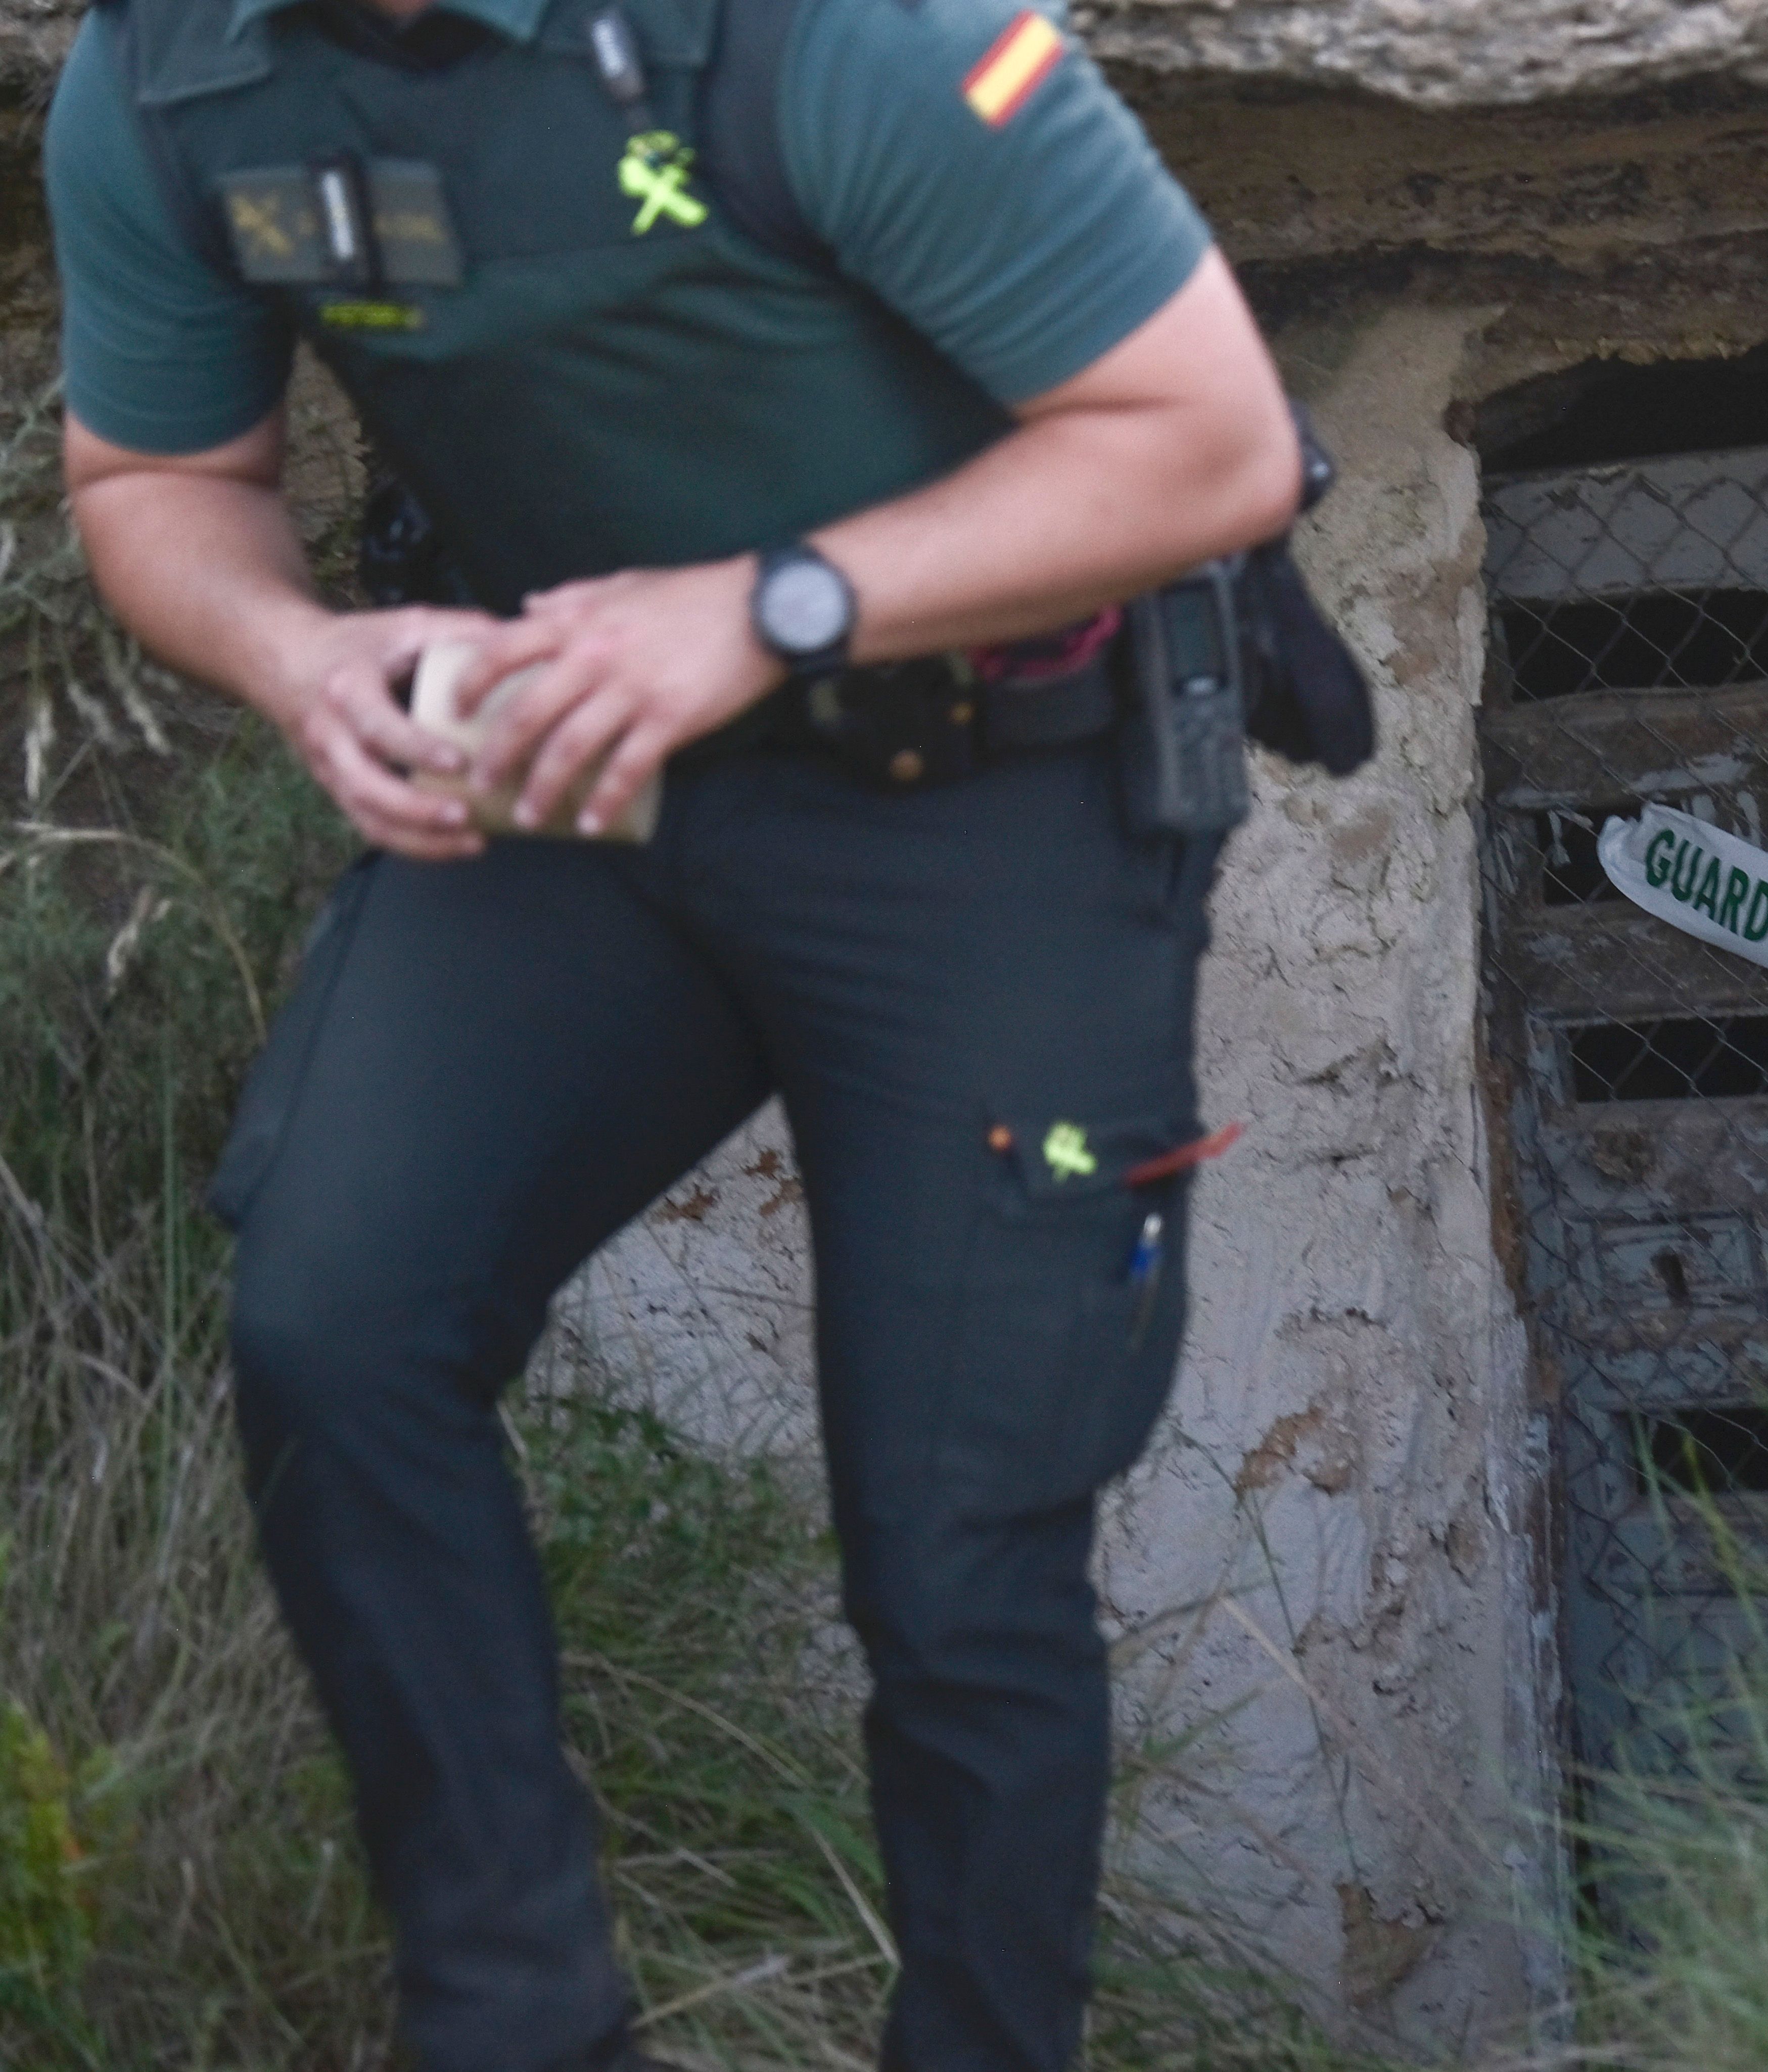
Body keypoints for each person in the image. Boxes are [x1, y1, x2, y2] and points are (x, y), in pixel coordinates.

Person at [44, 0, 1310, 2057]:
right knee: (336, 1315)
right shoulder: (167, 76)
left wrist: (760, 605)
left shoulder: (853, 39)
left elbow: (1206, 440)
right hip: (582, 769)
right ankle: (519, 2020)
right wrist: (298, 655)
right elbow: (160, 471)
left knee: (953, 1544)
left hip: (991, 780)